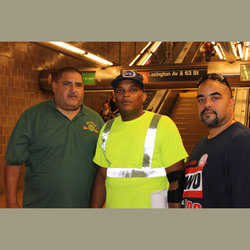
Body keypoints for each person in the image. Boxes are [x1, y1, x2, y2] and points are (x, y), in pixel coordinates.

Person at [5, 67, 104, 208]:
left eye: (78, 85)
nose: (73, 89)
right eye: (67, 84)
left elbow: (102, 170)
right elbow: (13, 162)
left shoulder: (96, 120)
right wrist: (11, 202)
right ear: (54, 86)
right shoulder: (32, 117)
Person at [90, 70, 188, 208]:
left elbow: (176, 179)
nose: (126, 94)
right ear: (114, 97)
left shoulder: (162, 124)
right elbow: (101, 177)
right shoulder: (107, 128)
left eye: (133, 89)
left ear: (144, 96)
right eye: (119, 90)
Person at [182, 73, 250, 208]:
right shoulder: (201, 143)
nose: (207, 104)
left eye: (215, 98)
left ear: (231, 103)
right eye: (201, 100)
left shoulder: (242, 141)